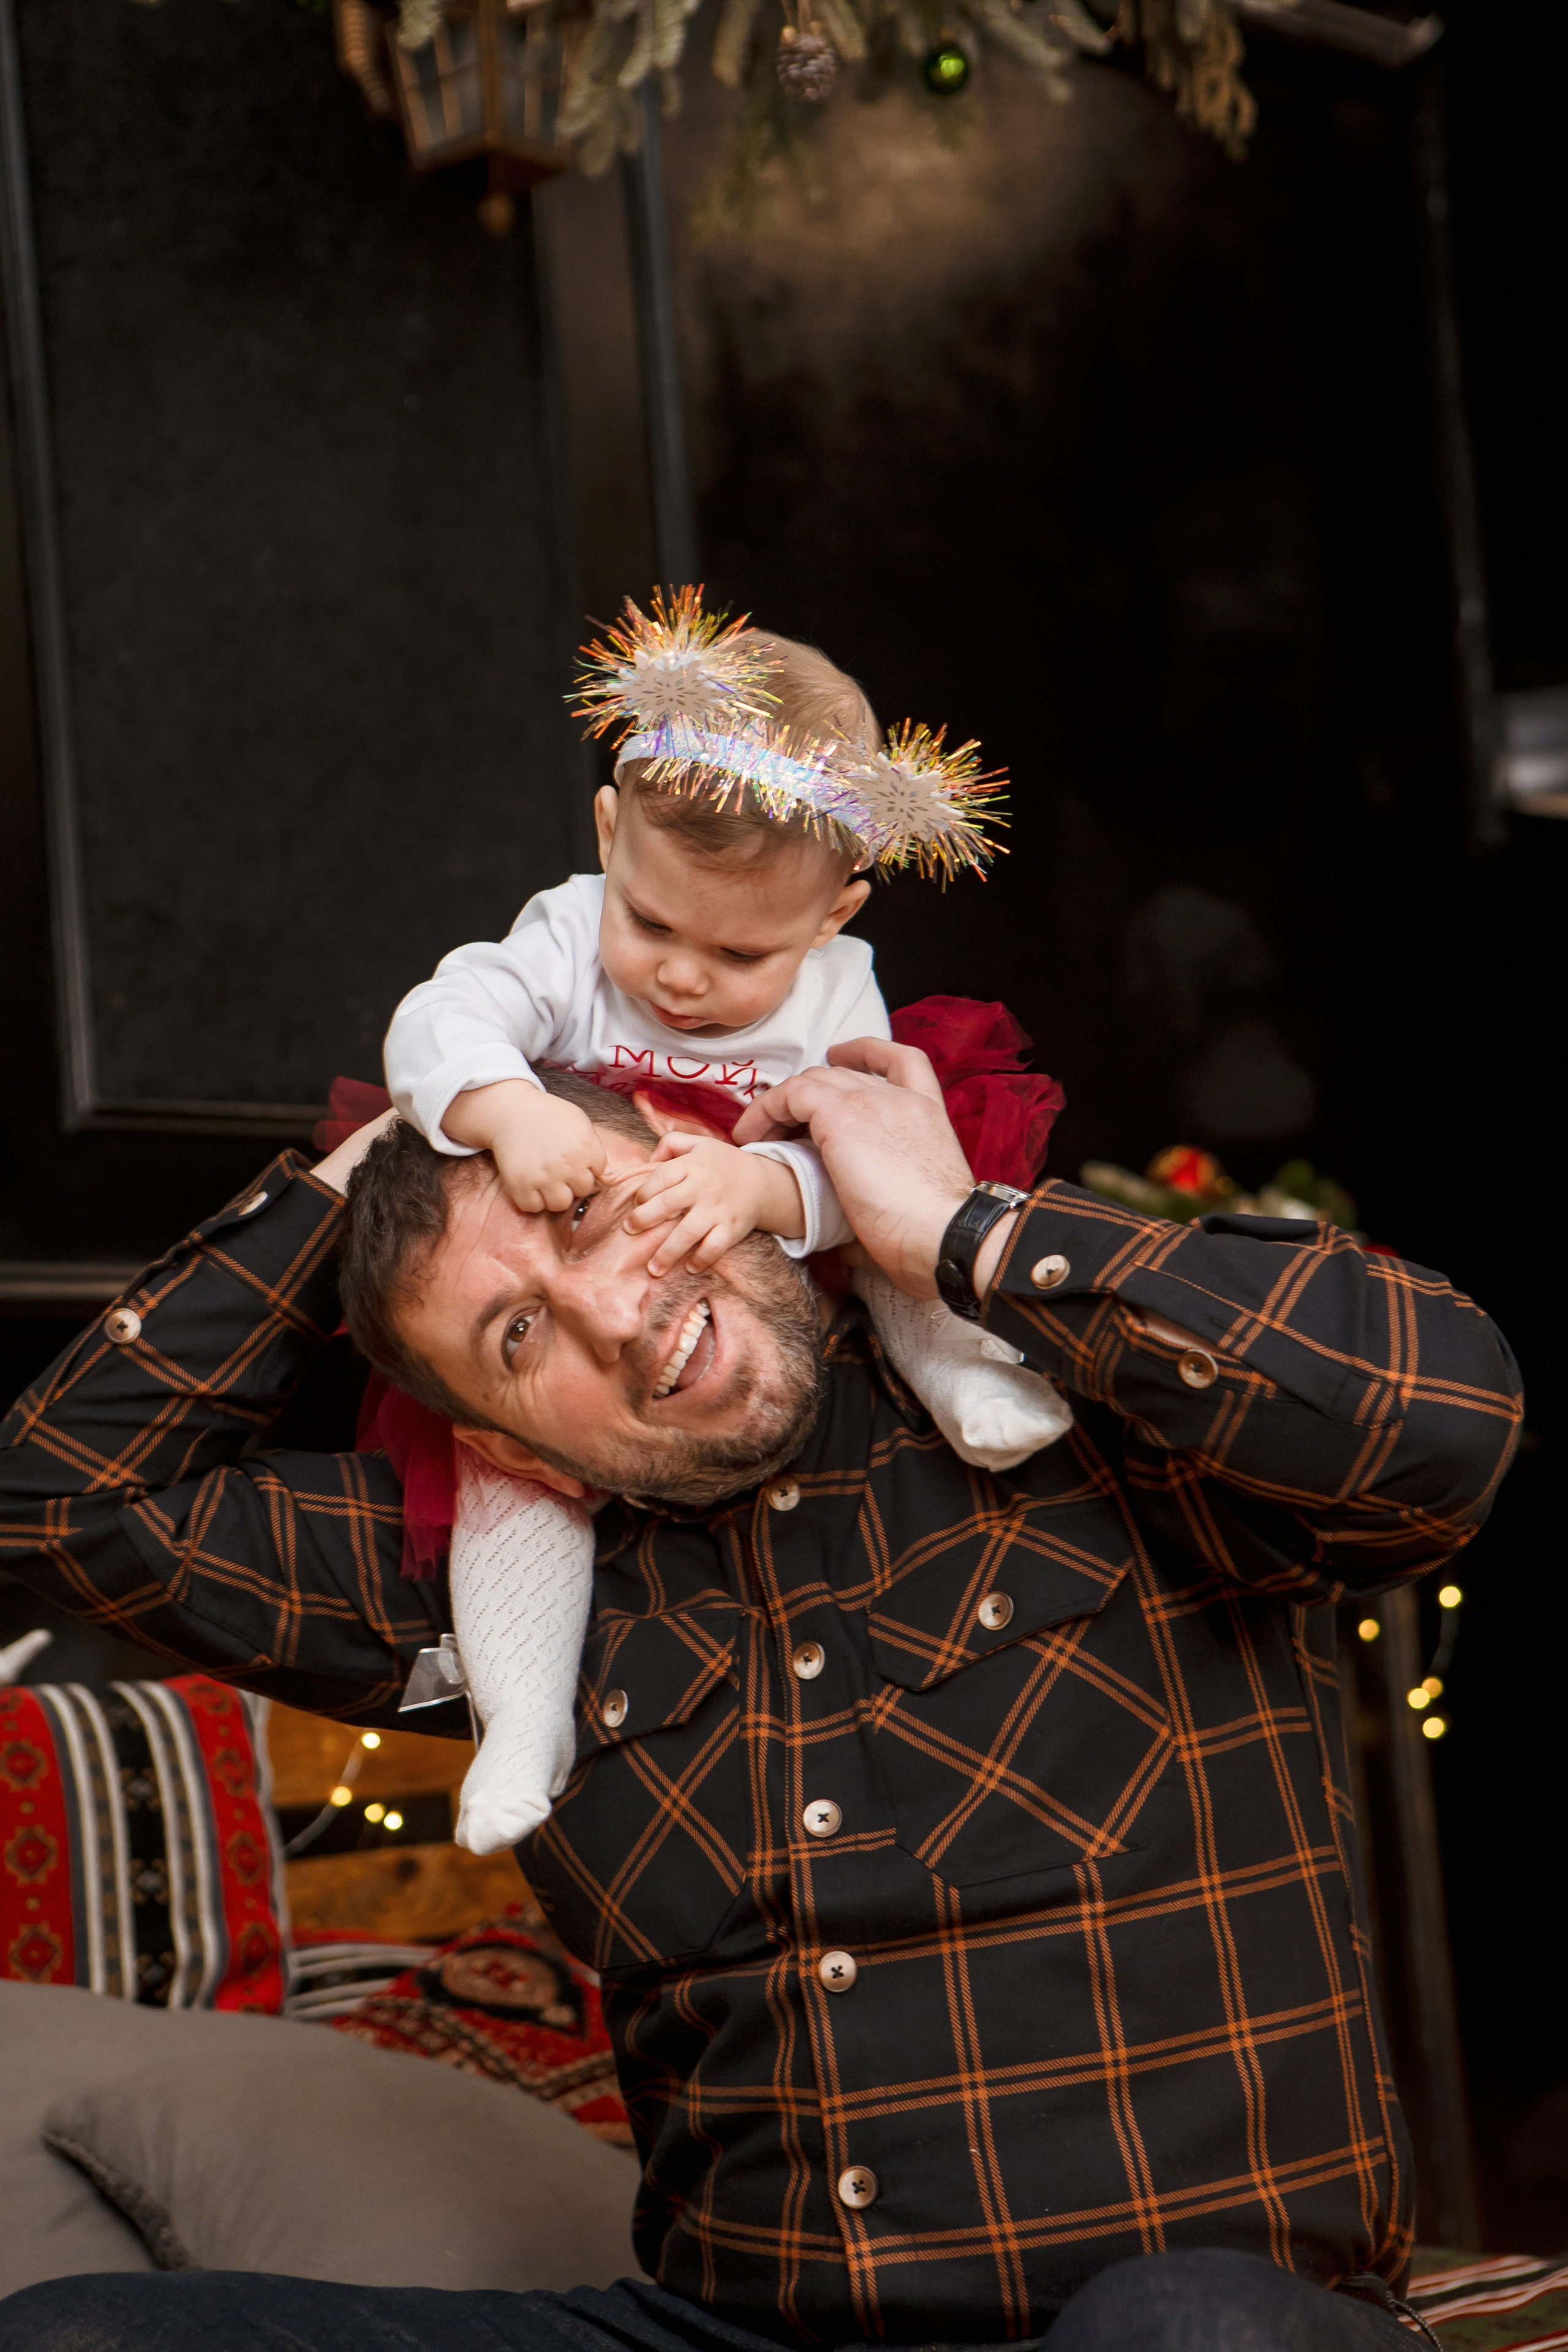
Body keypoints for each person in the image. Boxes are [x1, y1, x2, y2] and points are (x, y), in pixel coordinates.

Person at [0, 1042, 1520, 2350]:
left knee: (1173, 2333)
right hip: (738, 2332)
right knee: (78, 2332)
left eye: (588, 1210)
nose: (611, 1315)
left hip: (1198, 2313)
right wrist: (406, 1124)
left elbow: (1441, 1413)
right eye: (517, 1337)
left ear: (694, 1157)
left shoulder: (1066, 1407)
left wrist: (951, 1228)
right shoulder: (491, 1593)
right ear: (508, 1446)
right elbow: (60, 1501)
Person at [380, 589, 1066, 1853]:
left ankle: (967, 1382)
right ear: (606, 832)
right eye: (648, 924)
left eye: (739, 958)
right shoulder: (562, 933)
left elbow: (853, 1154)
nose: (682, 980)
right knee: (511, 1466)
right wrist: (508, 1113)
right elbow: (438, 1017)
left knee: (911, 1226)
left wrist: (760, 1190)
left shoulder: (837, 988)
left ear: (832, 915)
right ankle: (520, 1720)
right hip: (596, 1233)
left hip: (773, 1230)